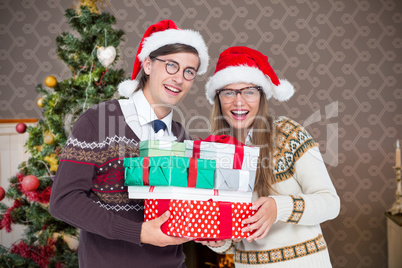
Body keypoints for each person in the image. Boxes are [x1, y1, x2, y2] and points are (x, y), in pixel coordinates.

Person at [50, 20, 209, 268]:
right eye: (171, 66)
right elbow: (64, 201)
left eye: (189, 71)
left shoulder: (181, 137)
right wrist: (138, 232)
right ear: (147, 64)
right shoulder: (97, 121)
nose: (179, 78)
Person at [198, 46, 340, 267]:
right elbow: (233, 243)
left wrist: (278, 208)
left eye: (249, 91)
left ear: (262, 96)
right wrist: (216, 242)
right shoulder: (216, 152)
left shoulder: (288, 134)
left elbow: (331, 203)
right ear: (218, 99)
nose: (238, 101)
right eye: (228, 92)